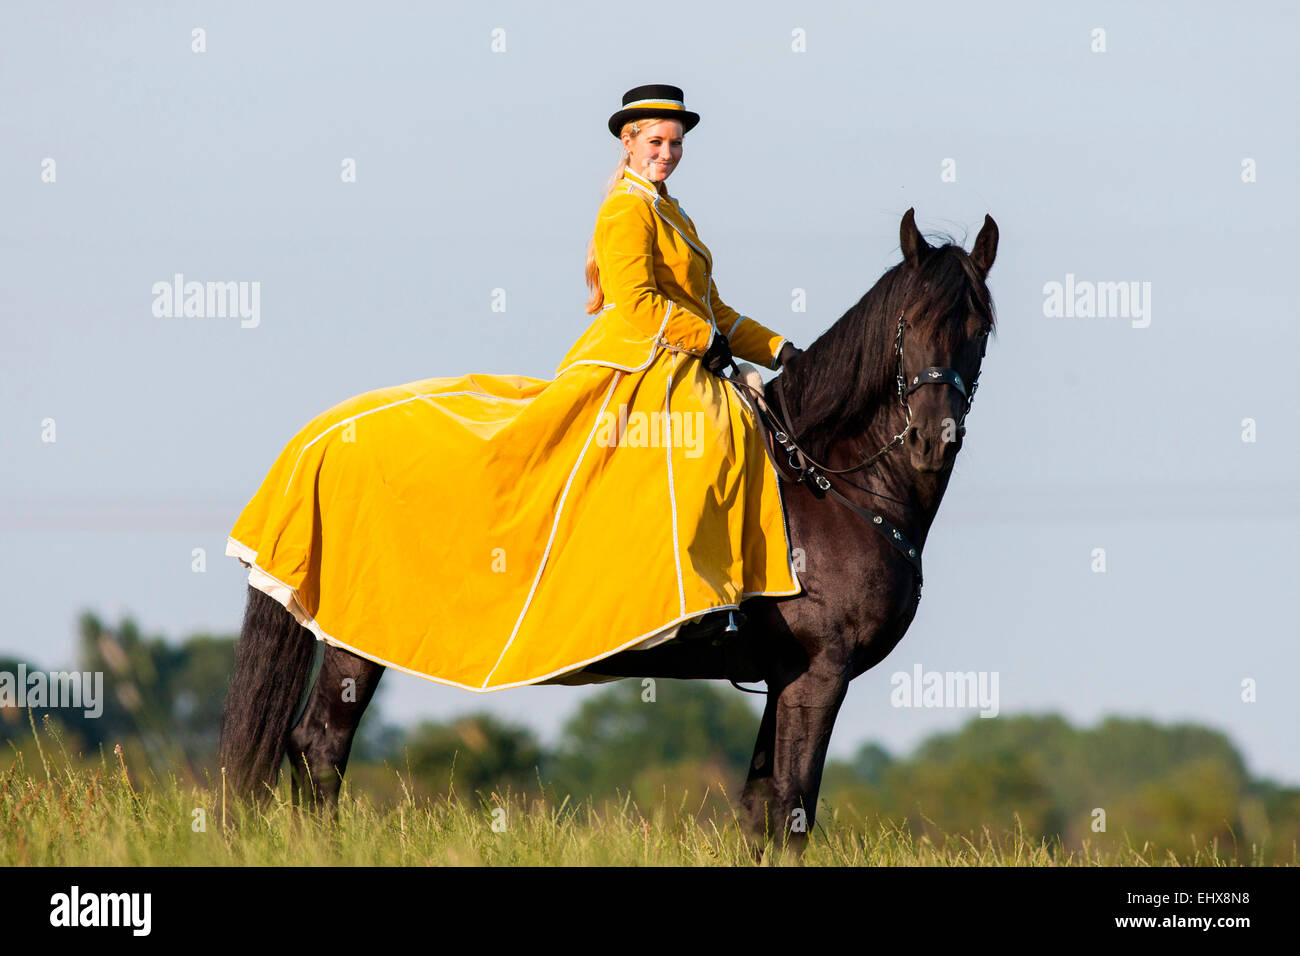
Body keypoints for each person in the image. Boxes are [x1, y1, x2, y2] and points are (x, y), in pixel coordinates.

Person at [226, 83, 803, 693]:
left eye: (675, 144)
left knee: (734, 424)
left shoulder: (672, 211)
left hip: (680, 352)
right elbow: (637, 303)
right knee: (703, 437)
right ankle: (693, 599)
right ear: (628, 144)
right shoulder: (624, 211)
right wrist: (708, 345)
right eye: (656, 142)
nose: (667, 153)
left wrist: (781, 349)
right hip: (640, 359)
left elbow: (713, 307)